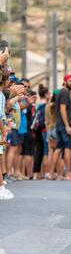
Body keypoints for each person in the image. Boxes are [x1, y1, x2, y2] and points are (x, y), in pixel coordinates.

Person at [53, 75, 71, 180]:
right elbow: (63, 109)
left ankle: (53, 174)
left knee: (58, 148)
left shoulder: (61, 93)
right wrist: (67, 125)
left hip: (59, 124)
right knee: (67, 148)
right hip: (64, 125)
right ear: (65, 82)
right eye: (70, 81)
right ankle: (68, 174)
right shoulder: (65, 93)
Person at [0, 69, 14, 199]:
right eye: (8, 79)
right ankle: (1, 188)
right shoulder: (1, 96)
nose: (10, 82)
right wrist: (4, 132)